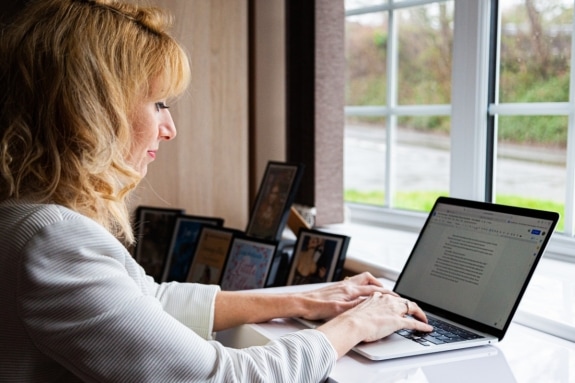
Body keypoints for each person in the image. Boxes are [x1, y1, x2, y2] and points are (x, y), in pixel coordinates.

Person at [0, 0, 432, 382]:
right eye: (157, 103)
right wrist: (355, 325)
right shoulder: (52, 239)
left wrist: (305, 297)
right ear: (93, 109)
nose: (169, 129)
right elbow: (223, 378)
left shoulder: (28, 218)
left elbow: (148, 301)